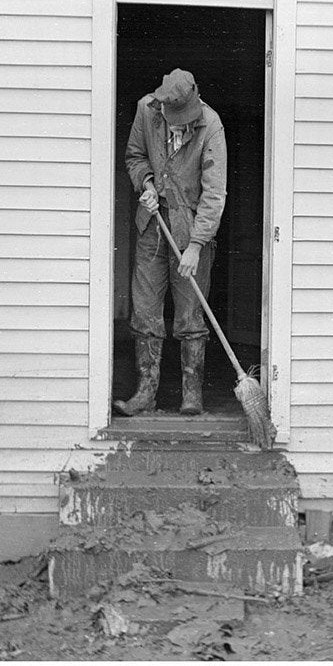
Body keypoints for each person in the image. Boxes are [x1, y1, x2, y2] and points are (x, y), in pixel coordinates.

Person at [115, 69, 228, 417]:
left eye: (184, 122)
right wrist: (146, 184)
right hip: (152, 225)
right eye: (173, 120)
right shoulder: (145, 110)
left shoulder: (211, 126)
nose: (179, 126)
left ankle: (191, 395)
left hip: (191, 228)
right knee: (146, 308)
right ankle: (145, 394)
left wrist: (196, 245)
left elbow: (214, 192)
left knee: (191, 312)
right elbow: (135, 156)